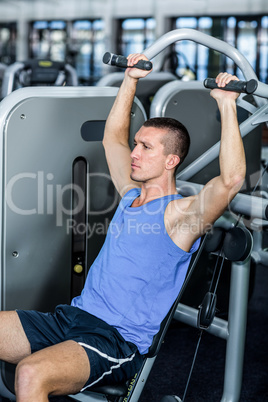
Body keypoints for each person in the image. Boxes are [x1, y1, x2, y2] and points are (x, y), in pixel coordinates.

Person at [0, 54, 246, 401]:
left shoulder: (181, 216)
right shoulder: (131, 196)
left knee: (30, 373)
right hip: (72, 316)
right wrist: (130, 80)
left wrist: (226, 105)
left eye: (146, 147)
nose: (134, 152)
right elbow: (112, 139)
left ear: (171, 161)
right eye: (137, 144)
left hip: (114, 339)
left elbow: (232, 180)